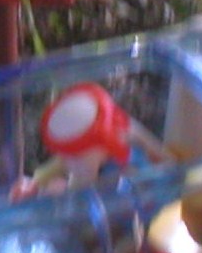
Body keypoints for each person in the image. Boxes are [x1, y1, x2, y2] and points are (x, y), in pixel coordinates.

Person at [10, 82, 174, 201]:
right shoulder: (81, 151)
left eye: (76, 156)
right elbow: (62, 164)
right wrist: (35, 184)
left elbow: (78, 197)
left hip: (141, 200)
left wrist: (171, 165)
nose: (70, 159)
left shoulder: (121, 140)